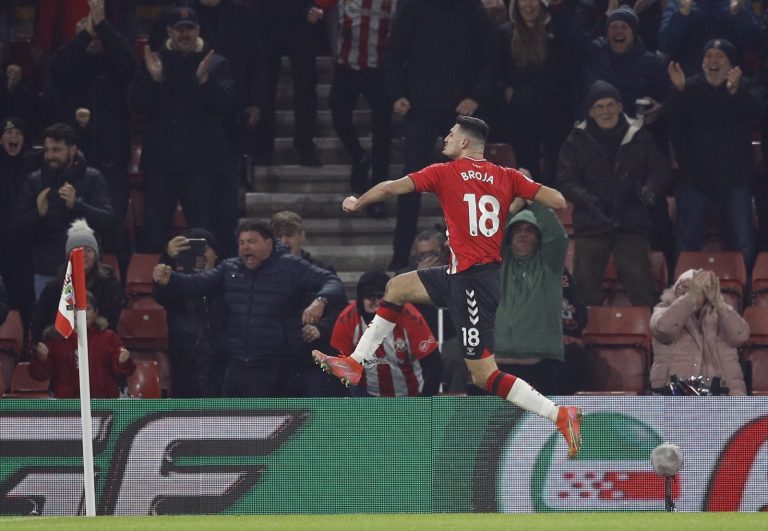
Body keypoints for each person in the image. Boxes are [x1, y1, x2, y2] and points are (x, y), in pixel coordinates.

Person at [312, 115, 584, 459]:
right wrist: (521, 192)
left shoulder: (444, 172)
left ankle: (560, 414)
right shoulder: (505, 176)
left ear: (465, 143)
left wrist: (358, 201)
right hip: (460, 274)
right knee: (396, 287)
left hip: (474, 283)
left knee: (485, 376)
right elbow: (559, 201)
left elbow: (391, 187)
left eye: (452, 135)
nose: (446, 139)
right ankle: (355, 362)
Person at [152, 219, 346, 398]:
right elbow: (199, 282)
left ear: (269, 244)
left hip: (274, 368)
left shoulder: (290, 266)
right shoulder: (230, 268)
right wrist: (170, 279)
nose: (246, 247)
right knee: (230, 427)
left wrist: (320, 301)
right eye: (242, 242)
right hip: (235, 366)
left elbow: (332, 281)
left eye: (252, 241)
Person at [382, 0, 498, 270]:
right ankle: (400, 255)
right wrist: (396, 93)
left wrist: (475, 97)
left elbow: (492, 61)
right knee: (410, 185)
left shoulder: (473, 10)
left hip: (460, 112)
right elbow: (394, 54)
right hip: (420, 108)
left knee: (467, 186)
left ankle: (471, 253)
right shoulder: (413, 8)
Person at [130, 6, 236, 254]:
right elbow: (138, 105)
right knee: (153, 235)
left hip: (200, 167)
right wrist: (154, 79)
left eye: (189, 29)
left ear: (198, 30)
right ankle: (152, 287)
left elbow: (225, 105)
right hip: (161, 167)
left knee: (203, 235)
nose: (185, 34)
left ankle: (204, 288)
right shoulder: (155, 61)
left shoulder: (216, 64)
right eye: (179, 30)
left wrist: (204, 81)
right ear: (170, 31)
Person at [557, 80, 671, 307]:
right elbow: (565, 181)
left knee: (642, 289)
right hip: (591, 225)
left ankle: (652, 338)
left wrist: (648, 190)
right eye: (599, 106)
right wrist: (588, 201)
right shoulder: (575, 140)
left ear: (620, 107)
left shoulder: (640, 136)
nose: (605, 111)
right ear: (590, 111)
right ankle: (578, 339)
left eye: (610, 105)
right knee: (582, 291)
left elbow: (660, 171)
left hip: (631, 224)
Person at [662, 39, 764, 270]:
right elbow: (669, 119)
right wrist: (677, 92)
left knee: (744, 244)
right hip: (695, 183)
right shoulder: (687, 87)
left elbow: (758, 113)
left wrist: (736, 92)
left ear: (732, 64)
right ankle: (681, 295)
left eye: (720, 56)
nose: (713, 60)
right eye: (709, 55)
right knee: (686, 245)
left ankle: (746, 298)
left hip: (735, 182)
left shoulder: (745, 86)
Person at [50, 0, 135, 257]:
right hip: (75, 171)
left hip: (111, 168)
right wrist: (87, 31)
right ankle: (74, 295)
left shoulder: (117, 68)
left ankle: (112, 293)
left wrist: (102, 25)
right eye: (89, 34)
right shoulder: (70, 69)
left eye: (98, 34)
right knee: (75, 236)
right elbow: (57, 66)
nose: (94, 39)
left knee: (111, 235)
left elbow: (127, 61)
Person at [16, 122, 115, 299]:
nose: (50, 156)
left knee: (85, 325)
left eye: (57, 150)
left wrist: (77, 205)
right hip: (46, 270)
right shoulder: (34, 180)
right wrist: (37, 214)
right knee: (49, 325)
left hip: (86, 271)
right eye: (47, 150)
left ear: (73, 149)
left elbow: (108, 221)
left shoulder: (93, 178)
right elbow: (18, 230)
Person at [323, 0, 396, 215]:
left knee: (383, 132)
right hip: (346, 66)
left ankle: (378, 197)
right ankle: (359, 156)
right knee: (339, 114)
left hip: (379, 69)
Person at [495, 0, 579, 186]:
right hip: (521, 113)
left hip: (556, 112)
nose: (528, 5)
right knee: (526, 169)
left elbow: (571, 65)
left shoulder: (557, 31)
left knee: (557, 166)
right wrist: (507, 91)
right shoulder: (505, 33)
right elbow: (497, 70)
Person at [495, 201, 570, 395]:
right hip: (498, 367)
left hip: (542, 365)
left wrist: (532, 198)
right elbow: (491, 234)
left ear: (538, 238)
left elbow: (556, 236)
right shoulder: (496, 266)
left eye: (529, 230)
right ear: (509, 236)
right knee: (495, 427)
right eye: (517, 230)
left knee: (543, 426)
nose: (522, 234)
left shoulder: (550, 266)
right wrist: (512, 204)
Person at [331, 270, 442, 397]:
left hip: (411, 395)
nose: (377, 303)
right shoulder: (347, 320)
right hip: (366, 396)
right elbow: (336, 368)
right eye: (371, 298)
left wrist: (424, 402)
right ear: (361, 299)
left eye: (381, 297)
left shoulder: (410, 317)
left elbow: (433, 365)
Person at [650, 268, 748, 395]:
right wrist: (690, 298)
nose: (687, 292)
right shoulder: (663, 310)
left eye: (694, 288)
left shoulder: (721, 314)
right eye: (682, 288)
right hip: (675, 395)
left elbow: (740, 336)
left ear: (706, 293)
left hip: (723, 395)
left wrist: (719, 303)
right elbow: (663, 330)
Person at [154, 229, 227, 397]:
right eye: (191, 247)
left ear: (216, 254)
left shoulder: (227, 279)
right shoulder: (177, 283)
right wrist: (167, 256)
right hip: (185, 363)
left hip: (220, 363)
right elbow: (160, 291)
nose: (198, 252)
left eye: (204, 247)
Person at [31, 218, 123, 343]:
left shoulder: (109, 284)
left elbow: (110, 320)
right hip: (61, 348)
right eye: (78, 251)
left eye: (88, 250)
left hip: (98, 346)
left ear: (96, 256)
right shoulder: (54, 287)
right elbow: (39, 324)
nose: (83, 254)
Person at [29, 291, 135, 398]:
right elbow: (39, 376)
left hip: (104, 403)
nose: (80, 313)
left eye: (86, 309)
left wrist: (123, 362)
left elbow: (126, 370)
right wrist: (41, 359)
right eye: (74, 309)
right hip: (66, 406)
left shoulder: (109, 337)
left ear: (96, 313)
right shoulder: (54, 340)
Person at [0, 117, 36, 326]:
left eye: (18, 133)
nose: (14, 137)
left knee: (25, 301)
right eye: (9, 132)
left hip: (25, 246)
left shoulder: (33, 162)